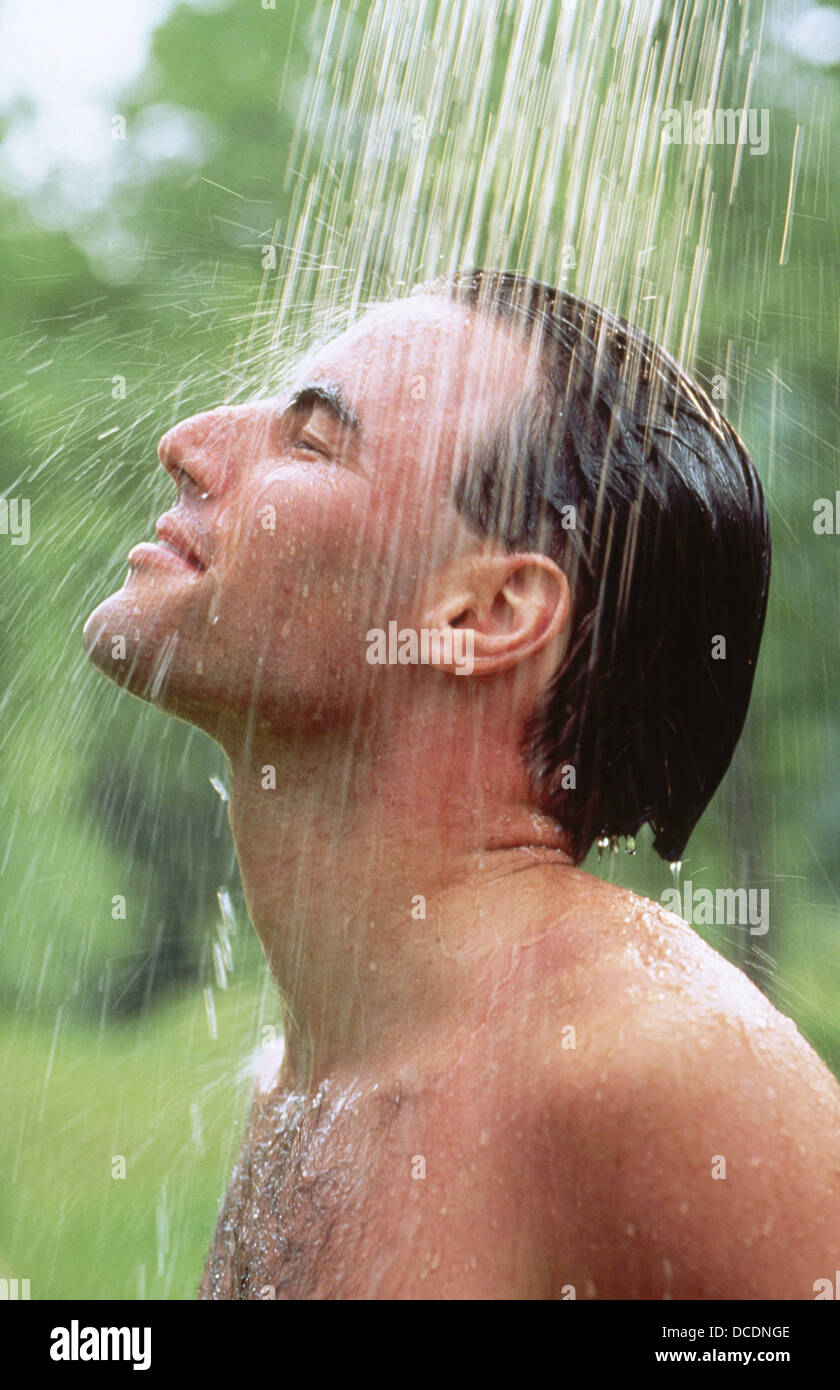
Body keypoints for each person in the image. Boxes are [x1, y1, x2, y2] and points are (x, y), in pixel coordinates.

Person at [83, 269, 840, 1300]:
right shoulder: (301, 1080)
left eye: (311, 443)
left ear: (484, 615)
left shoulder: (660, 1072)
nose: (187, 440)